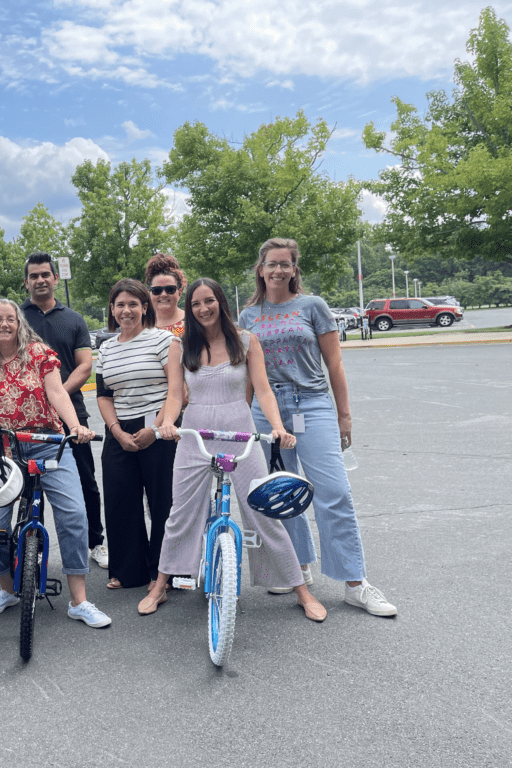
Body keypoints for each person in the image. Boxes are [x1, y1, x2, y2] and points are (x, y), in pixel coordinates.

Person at [138, 279, 327, 622]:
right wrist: (166, 423)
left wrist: (279, 428)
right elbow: (175, 395)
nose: (203, 308)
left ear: (220, 302)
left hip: (240, 433)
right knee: (180, 514)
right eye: (196, 303)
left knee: (263, 512)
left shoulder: (245, 340)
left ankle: (300, 590)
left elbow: (265, 391)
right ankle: (160, 586)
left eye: (209, 301)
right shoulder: (181, 346)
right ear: (191, 308)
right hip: (195, 434)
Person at [238, 238, 396, 617]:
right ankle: (299, 568)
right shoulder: (248, 316)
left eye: (285, 264)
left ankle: (355, 582)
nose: (277, 270)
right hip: (266, 409)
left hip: (312, 403)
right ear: (260, 270)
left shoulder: (313, 307)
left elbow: (334, 364)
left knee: (334, 491)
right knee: (282, 491)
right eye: (270, 264)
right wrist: (242, 416)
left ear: (294, 269)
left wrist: (344, 415)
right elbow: (247, 375)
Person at [0, 299, 112, 628]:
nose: (4, 324)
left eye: (10, 319)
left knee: (74, 514)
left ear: (19, 323)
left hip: (48, 444)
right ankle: (6, 590)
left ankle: (79, 600)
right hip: (4, 450)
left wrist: (74, 427)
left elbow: (57, 393)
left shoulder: (38, 353)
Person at [20, 252, 107, 570]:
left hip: (73, 414)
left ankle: (95, 542)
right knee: (32, 484)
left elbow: (85, 366)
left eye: (46, 274)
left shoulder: (74, 319)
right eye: (34, 276)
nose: (40, 280)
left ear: (55, 279)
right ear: (26, 282)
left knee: (85, 480)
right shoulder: (15, 319)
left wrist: (57, 397)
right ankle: (35, 549)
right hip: (26, 417)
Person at [95, 280, 177, 590]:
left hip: (159, 426)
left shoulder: (163, 341)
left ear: (145, 307)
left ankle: (164, 570)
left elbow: (175, 390)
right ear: (112, 310)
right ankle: (128, 570)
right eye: (120, 304)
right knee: (120, 500)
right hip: (120, 429)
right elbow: (104, 395)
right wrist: (116, 431)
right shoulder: (106, 348)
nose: (126, 310)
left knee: (163, 502)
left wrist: (155, 430)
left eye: (133, 304)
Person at [144, 253, 187, 336]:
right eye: (157, 290)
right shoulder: (140, 326)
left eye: (170, 289)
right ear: (149, 294)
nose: (163, 294)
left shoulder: (193, 322)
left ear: (180, 293)